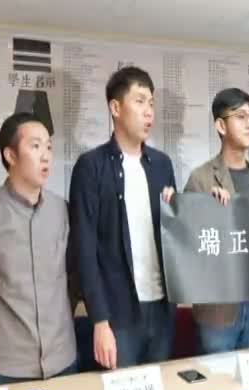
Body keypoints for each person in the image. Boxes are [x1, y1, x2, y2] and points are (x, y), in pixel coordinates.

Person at [0, 112, 77, 385]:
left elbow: (73, 277)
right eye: (35, 146)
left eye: (49, 147)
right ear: (10, 155)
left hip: (62, 357)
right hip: (7, 364)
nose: (46, 156)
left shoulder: (62, 211)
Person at [69, 66, 176, 370]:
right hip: (118, 314)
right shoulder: (91, 167)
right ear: (116, 108)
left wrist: (180, 208)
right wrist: (100, 321)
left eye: (151, 103)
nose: (149, 111)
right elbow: (85, 249)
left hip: (161, 307)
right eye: (139, 101)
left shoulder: (161, 165)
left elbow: (175, 235)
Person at [183, 88, 249, 354]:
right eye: (240, 116)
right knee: (216, 377)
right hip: (218, 311)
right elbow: (187, 245)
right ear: (221, 126)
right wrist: (208, 211)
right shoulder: (201, 178)